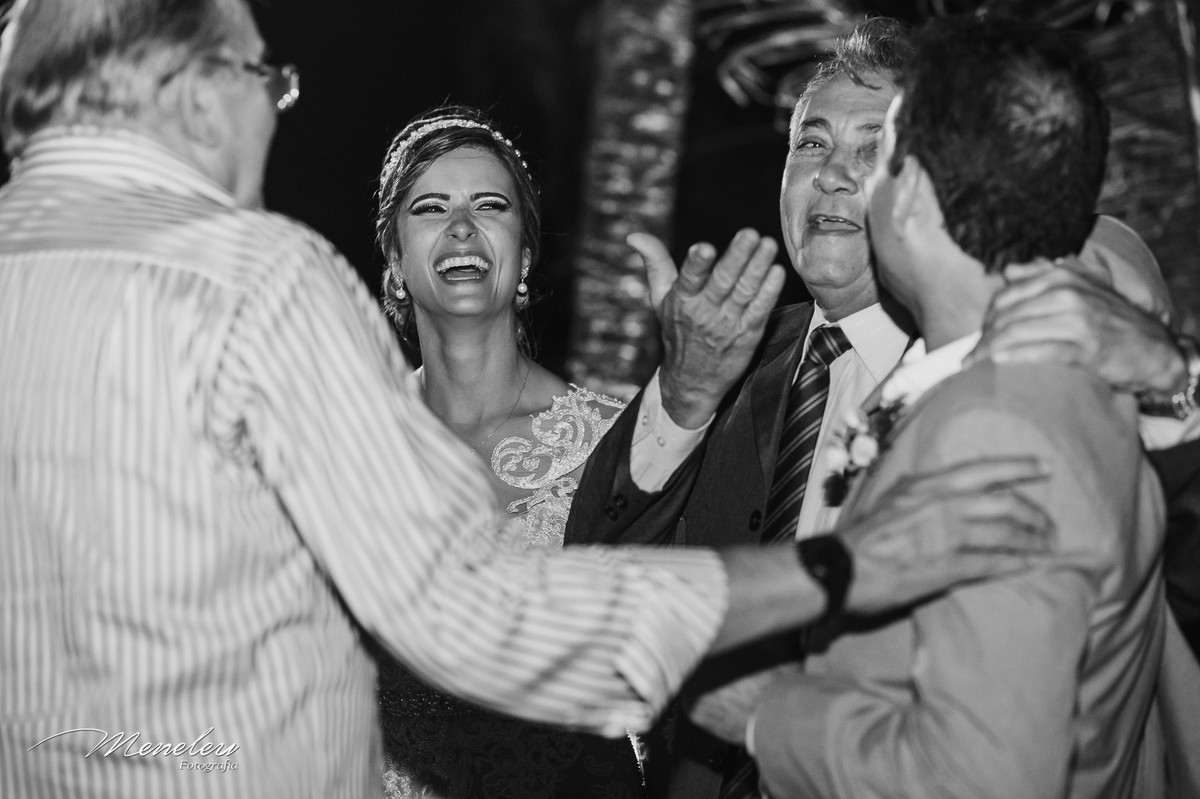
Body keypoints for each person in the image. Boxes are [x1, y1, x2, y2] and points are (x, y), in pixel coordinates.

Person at [0, 2, 1063, 797]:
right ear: (193, 94)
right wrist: (841, 568)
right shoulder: (254, 281)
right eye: (267, 83)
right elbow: (468, 608)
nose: (275, 119)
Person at [566, 15, 1200, 797]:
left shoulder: (1018, 369)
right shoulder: (724, 349)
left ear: (933, 180)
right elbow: (592, 564)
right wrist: (686, 393)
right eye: (813, 143)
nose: (837, 174)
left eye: (880, 148)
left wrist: (1170, 371)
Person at [371, 105, 641, 799]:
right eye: (431, 208)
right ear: (397, 263)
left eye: (489, 205)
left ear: (522, 257)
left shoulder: (612, 445)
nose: (462, 226)